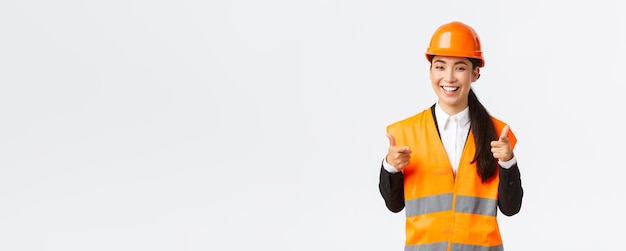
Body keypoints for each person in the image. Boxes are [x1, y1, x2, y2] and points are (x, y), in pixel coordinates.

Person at [378, 21, 523, 251]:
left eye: (460, 67)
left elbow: (510, 207)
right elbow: (394, 205)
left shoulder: (497, 135)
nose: (449, 77)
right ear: (430, 71)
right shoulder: (405, 134)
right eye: (440, 66)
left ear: (475, 73)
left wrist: (508, 162)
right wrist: (390, 168)